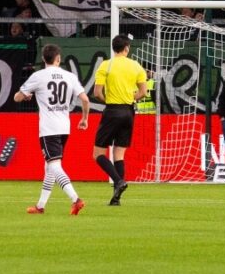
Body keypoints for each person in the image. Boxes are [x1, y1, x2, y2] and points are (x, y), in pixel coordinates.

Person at [14, 43, 90, 215]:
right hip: (65, 127)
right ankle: (40, 206)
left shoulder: (38, 76)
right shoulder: (69, 76)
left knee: (54, 165)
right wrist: (84, 119)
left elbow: (17, 97)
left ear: (43, 59)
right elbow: (85, 100)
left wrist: (25, 95)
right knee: (49, 166)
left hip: (49, 128)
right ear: (58, 59)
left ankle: (75, 199)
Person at [93, 34, 150, 206]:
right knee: (119, 154)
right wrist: (132, 98)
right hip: (129, 111)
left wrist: (108, 100)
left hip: (112, 110)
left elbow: (97, 93)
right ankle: (116, 198)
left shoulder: (106, 65)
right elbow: (143, 92)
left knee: (97, 154)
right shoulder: (136, 66)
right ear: (127, 48)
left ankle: (118, 181)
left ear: (113, 48)